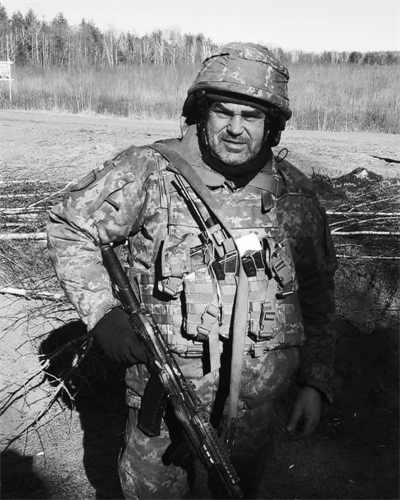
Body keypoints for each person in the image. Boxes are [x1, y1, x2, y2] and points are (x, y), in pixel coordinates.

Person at [47, 42, 337, 500]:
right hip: (162, 401)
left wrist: (315, 382)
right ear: (201, 112)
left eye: (251, 116)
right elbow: (70, 227)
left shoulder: (292, 197)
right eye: (224, 112)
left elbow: (317, 294)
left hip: (255, 408)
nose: (236, 128)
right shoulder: (151, 173)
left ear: (272, 126)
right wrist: (104, 314)